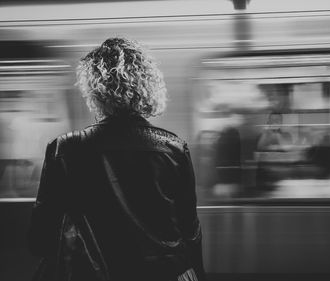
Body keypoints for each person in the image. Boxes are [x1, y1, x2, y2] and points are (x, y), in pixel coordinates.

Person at [28, 38, 205, 281]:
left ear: (93, 89)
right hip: (164, 272)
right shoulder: (173, 149)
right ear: (147, 86)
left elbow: (40, 239)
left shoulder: (64, 149)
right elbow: (190, 231)